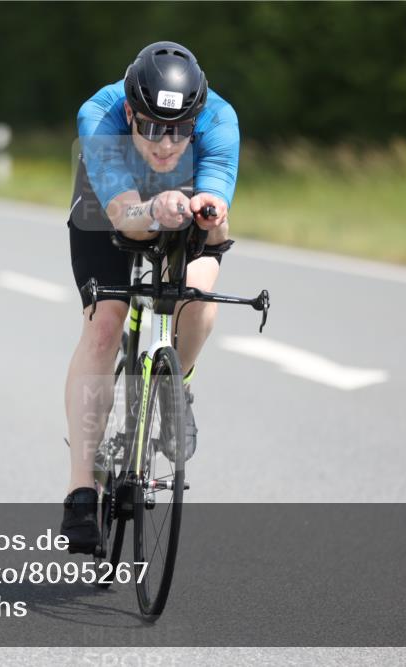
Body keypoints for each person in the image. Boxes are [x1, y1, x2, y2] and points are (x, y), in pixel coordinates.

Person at [61, 41, 240, 553]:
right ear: (130, 113)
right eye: (153, 128)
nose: (166, 143)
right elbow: (123, 217)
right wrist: (155, 210)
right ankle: (79, 489)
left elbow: (218, 213)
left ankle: (174, 384)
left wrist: (209, 210)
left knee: (199, 295)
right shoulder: (100, 116)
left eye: (180, 129)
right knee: (104, 323)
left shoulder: (220, 119)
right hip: (110, 206)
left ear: (197, 117)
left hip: (181, 204)